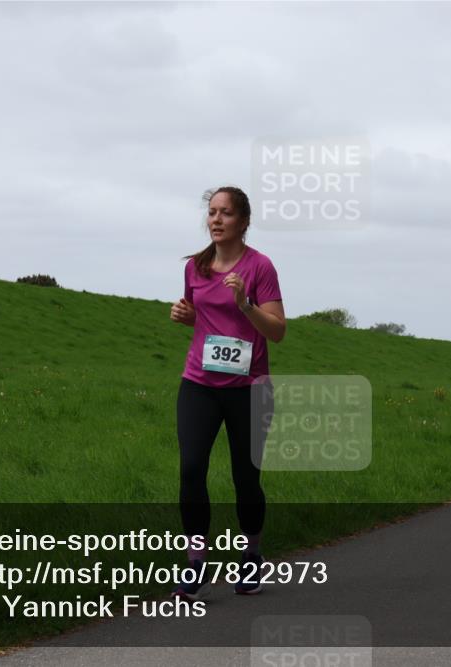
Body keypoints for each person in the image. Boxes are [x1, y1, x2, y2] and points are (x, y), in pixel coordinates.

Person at [169, 186, 286, 600]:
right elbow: (202, 320)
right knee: (191, 469)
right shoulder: (195, 267)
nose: (216, 220)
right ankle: (196, 562)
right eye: (212, 213)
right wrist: (186, 316)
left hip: (248, 390)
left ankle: (251, 555)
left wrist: (245, 303)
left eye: (226, 213)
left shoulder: (260, 267)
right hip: (199, 383)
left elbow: (277, 331)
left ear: (244, 221)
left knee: (246, 479)